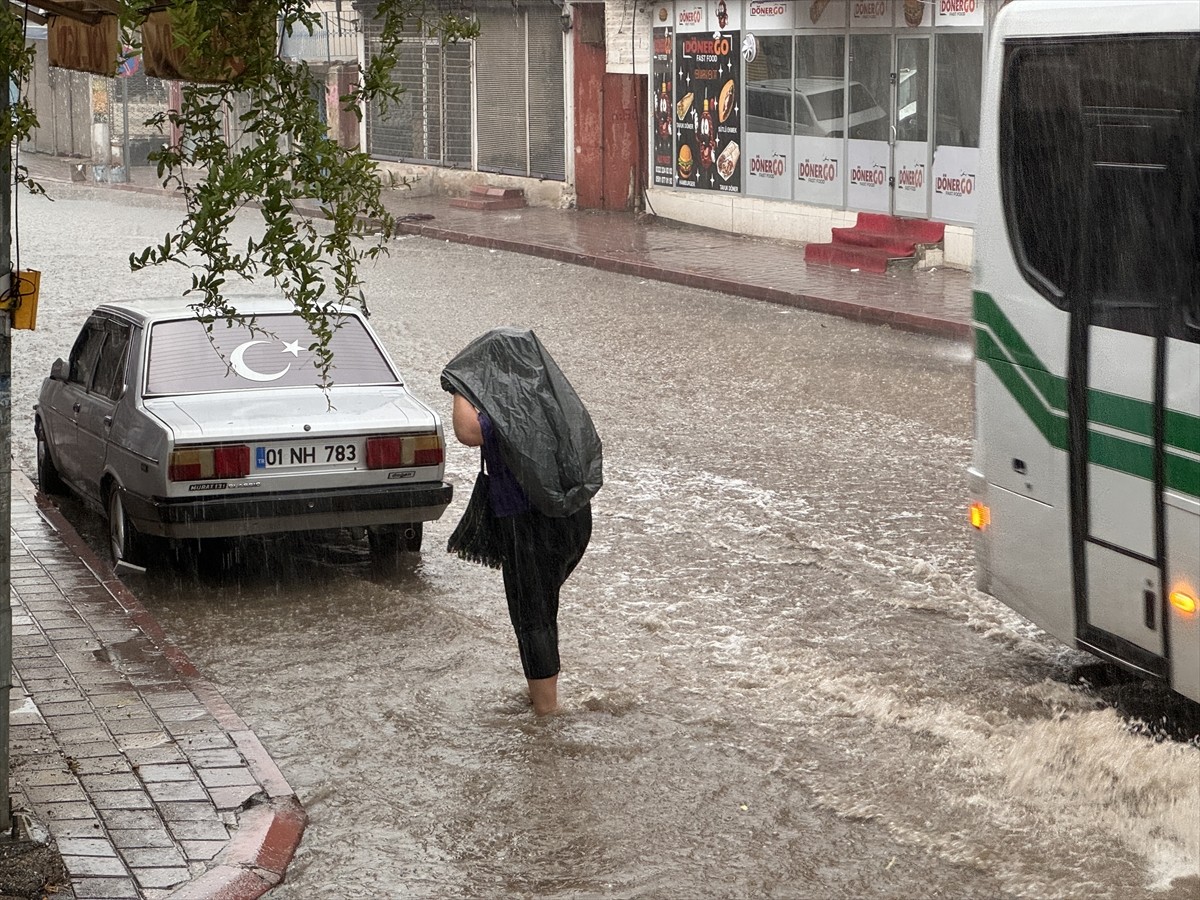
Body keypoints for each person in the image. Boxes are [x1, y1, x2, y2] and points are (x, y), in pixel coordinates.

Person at [450, 392, 592, 715]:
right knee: (542, 606)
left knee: (532, 616)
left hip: (529, 522)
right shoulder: (549, 397)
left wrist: (459, 383)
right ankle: (542, 695)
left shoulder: (509, 407)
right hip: (574, 517)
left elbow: (467, 430)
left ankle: (546, 715)